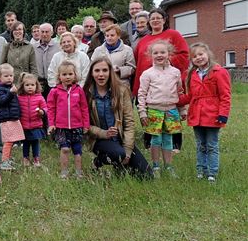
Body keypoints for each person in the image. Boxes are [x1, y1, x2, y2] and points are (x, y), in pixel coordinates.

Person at [83, 58, 152, 178]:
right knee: (118, 154)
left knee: (147, 175)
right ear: (92, 73)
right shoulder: (86, 93)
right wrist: (104, 133)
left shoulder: (121, 90)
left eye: (105, 70)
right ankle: (97, 162)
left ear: (110, 72)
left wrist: (128, 150)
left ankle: (120, 164)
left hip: (120, 138)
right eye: (97, 71)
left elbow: (129, 122)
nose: (101, 74)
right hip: (99, 139)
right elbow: (85, 125)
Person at [179, 43, 231, 182]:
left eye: (201, 54)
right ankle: (201, 170)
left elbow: (225, 95)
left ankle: (212, 173)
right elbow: (191, 96)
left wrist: (223, 114)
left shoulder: (219, 72)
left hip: (213, 115)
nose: (198, 58)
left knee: (212, 145)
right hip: (197, 115)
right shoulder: (192, 74)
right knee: (201, 145)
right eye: (194, 56)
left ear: (208, 54)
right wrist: (176, 100)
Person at [138, 40, 185, 177]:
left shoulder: (175, 72)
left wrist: (182, 110)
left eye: (163, 52)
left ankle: (169, 166)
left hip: (171, 110)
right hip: (154, 110)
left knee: (168, 139)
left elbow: (179, 92)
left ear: (169, 54)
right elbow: (141, 93)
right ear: (150, 55)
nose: (159, 55)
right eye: (156, 52)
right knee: (156, 139)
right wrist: (142, 112)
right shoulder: (147, 74)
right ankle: (156, 166)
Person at [47, 60, 90, 179]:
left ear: (75, 75)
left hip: (77, 126)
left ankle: (78, 172)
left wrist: (86, 124)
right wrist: (51, 124)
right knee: (65, 149)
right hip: (61, 127)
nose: (67, 77)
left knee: (77, 150)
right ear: (59, 76)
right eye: (64, 74)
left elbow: (84, 108)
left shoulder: (79, 90)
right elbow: (50, 109)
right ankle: (64, 172)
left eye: (70, 74)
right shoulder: (54, 91)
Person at [133, 8, 189, 97]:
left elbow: (185, 55)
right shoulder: (142, 41)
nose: (155, 20)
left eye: (158, 18)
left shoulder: (174, 35)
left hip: (167, 84)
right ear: (149, 22)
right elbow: (137, 63)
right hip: (147, 84)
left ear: (164, 20)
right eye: (152, 19)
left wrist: (166, 61)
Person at [0, 64, 25, 170]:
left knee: (11, 140)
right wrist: (11, 93)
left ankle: (7, 158)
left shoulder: (9, 87)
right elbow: (2, 101)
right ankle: (4, 161)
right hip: (6, 119)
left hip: (12, 117)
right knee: (8, 141)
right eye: (6, 76)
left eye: (11, 75)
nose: (9, 78)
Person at [17, 73, 47, 167]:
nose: (30, 87)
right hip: (24, 125)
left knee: (35, 142)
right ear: (23, 86)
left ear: (36, 86)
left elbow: (46, 108)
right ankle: (25, 158)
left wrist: (42, 112)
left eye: (32, 85)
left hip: (36, 124)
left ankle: (36, 158)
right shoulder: (19, 98)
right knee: (25, 143)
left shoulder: (39, 97)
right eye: (27, 85)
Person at [33, 22, 60, 99]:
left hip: (54, 82)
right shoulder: (33, 47)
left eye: (47, 32)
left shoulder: (58, 47)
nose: (44, 34)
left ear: (52, 33)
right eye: (42, 32)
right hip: (38, 82)